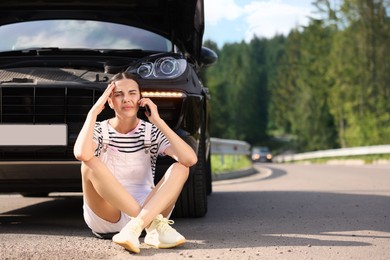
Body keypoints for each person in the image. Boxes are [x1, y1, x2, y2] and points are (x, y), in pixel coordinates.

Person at [73, 72, 197, 254]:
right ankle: (149, 224)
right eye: (118, 94)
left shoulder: (150, 131)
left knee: (181, 168)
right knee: (89, 163)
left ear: (140, 99)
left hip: (149, 206)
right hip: (109, 215)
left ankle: (135, 227)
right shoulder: (99, 129)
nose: (126, 99)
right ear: (109, 101)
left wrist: (158, 121)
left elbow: (190, 159)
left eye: (132, 93)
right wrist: (93, 113)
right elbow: (81, 153)